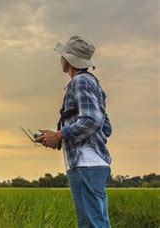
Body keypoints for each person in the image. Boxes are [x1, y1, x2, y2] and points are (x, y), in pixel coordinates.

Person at [36, 35, 112, 228]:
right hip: (93, 164)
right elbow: (105, 127)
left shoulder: (80, 82)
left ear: (68, 60)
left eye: (62, 55)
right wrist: (57, 137)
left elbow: (91, 120)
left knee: (91, 224)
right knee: (97, 222)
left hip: (85, 164)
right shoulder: (93, 83)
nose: (60, 58)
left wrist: (61, 134)